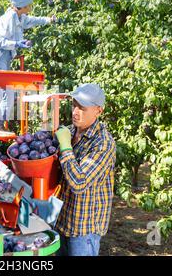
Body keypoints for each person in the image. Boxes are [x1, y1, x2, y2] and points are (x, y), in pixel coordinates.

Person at [0, 0, 57, 136]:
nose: (30, 7)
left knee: (8, 91)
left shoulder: (19, 17)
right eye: (29, 5)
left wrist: (49, 20)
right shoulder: (8, 18)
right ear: (22, 5)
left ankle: (0, 126)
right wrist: (16, 43)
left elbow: (32, 20)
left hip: (5, 57)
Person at [54, 83, 116, 256]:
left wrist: (65, 147)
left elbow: (79, 183)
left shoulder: (102, 143)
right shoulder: (71, 131)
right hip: (62, 222)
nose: (75, 112)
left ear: (98, 111)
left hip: (84, 229)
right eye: (74, 105)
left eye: (82, 107)